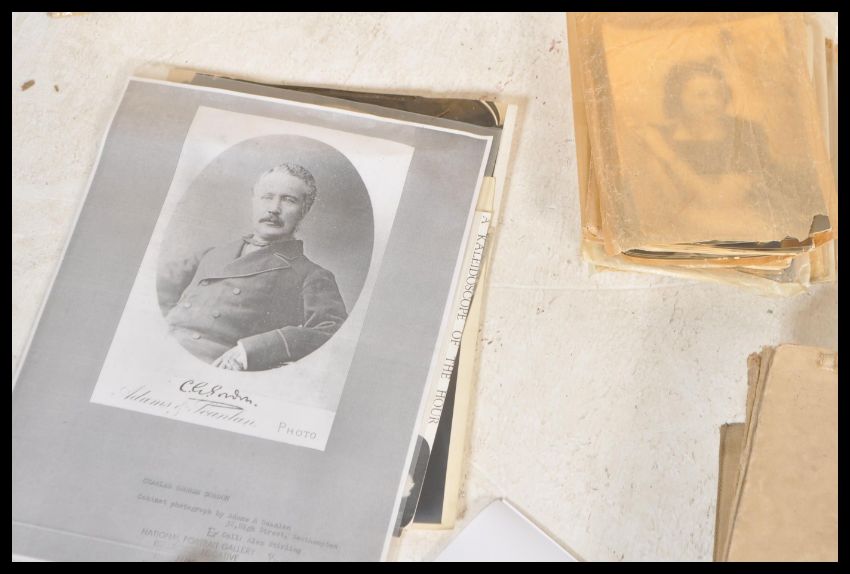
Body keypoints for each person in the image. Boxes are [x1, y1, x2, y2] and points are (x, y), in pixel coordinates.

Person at [157, 163, 347, 371]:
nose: (274, 208)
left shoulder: (310, 274)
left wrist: (250, 350)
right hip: (160, 344)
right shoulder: (212, 254)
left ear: (304, 209)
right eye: (267, 197)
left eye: (288, 200)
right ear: (254, 200)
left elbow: (332, 331)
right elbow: (159, 285)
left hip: (208, 365)